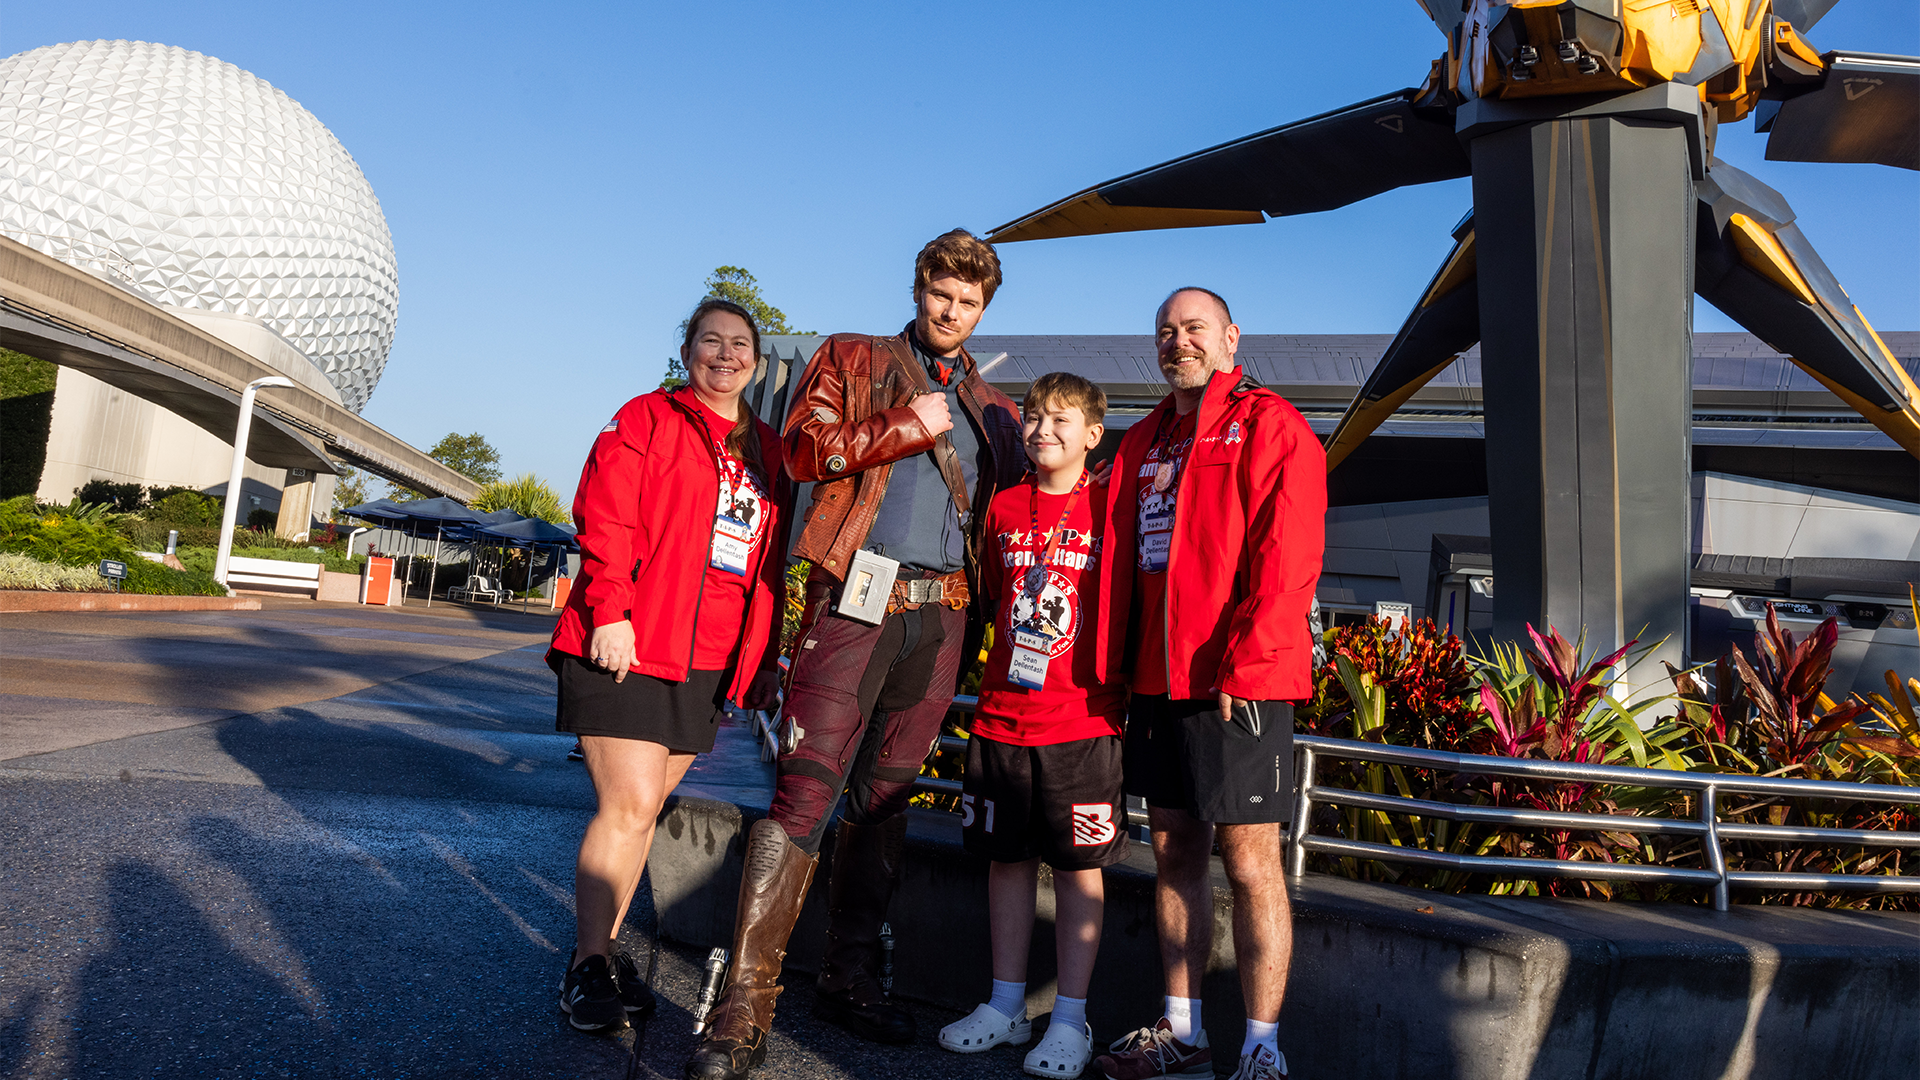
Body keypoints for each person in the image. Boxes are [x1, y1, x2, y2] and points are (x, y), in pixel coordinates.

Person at [685, 230, 1026, 1080]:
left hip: (942, 619)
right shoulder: (853, 356)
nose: (951, 311)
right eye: (941, 294)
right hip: (855, 598)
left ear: (984, 309)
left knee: (882, 800)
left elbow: (1021, 511)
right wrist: (902, 424)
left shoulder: (995, 407)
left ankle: (850, 978)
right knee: (805, 791)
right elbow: (802, 451)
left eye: (969, 301)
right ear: (918, 290)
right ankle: (743, 1011)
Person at [1091, 288, 1325, 1080]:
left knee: (1252, 860)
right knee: (1172, 850)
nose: (1177, 341)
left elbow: (1287, 559)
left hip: (1236, 682)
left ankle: (1263, 1049)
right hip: (1158, 683)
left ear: (1230, 337)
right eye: (1165, 330)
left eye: (1193, 328)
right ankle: (1183, 1034)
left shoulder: (1271, 426)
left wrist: (1252, 666)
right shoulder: (1144, 440)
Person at [547, 298, 788, 1033]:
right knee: (627, 806)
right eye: (710, 341)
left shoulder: (767, 449)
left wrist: (764, 661)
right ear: (687, 353)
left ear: (757, 358)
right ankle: (588, 966)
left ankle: (605, 952)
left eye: (739, 343)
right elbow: (606, 517)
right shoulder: (647, 419)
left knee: (647, 811)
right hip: (631, 642)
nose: (725, 354)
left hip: (709, 659)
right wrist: (611, 610)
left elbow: (768, 563)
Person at [936, 372, 1127, 1080]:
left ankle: (1072, 1017)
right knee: (1005, 860)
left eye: (1061, 419)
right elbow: (991, 593)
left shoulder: (1112, 508)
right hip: (1003, 717)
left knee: (1080, 872)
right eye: (1035, 418)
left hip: (1082, 720)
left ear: (1092, 433)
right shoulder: (1006, 507)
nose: (1044, 430)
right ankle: (1005, 1004)